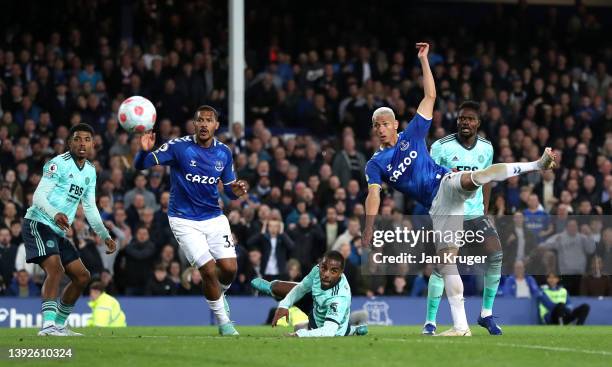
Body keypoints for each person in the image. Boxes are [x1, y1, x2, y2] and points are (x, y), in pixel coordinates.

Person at [363, 43, 556, 336]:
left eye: (385, 123)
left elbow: (430, 95)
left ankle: (536, 164)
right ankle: (461, 326)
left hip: (446, 184)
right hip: (438, 208)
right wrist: (369, 226)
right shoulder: (375, 164)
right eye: (376, 125)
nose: (380, 128)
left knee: (477, 176)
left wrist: (424, 60)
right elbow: (373, 194)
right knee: (446, 262)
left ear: (395, 124)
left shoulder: (413, 133)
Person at [134, 105, 247, 336]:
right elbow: (141, 165)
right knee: (207, 270)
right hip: (183, 220)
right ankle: (225, 323)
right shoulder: (179, 147)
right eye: (200, 120)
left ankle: (220, 292)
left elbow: (229, 190)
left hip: (214, 217)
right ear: (194, 125)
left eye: (209, 120)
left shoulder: (224, 152)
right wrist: (143, 151)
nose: (204, 124)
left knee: (229, 269)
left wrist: (238, 189)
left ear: (216, 125)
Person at [22, 123, 117, 336]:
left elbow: (90, 208)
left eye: (87, 139)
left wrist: (104, 235)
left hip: (57, 230)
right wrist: (55, 213)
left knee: (83, 276)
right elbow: (37, 197)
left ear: (93, 144)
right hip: (38, 223)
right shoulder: (57, 164)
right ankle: (47, 326)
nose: (82, 143)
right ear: (69, 142)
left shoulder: (91, 172)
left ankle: (60, 324)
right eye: (77, 139)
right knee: (55, 269)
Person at [427, 100, 503, 335]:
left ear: (478, 122)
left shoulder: (486, 148)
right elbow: (430, 181)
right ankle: (430, 321)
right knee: (443, 267)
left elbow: (487, 179)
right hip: (449, 213)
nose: (465, 123)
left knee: (496, 255)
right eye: (461, 119)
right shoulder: (441, 147)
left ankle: (486, 314)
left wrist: (484, 210)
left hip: (474, 214)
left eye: (469, 119)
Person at [251, 251, 368, 337]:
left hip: (324, 324)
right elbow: (301, 288)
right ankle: (271, 288)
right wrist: (283, 305)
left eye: (333, 271)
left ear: (341, 273)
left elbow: (328, 332)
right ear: (321, 265)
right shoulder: (317, 270)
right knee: (278, 287)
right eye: (324, 268)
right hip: (315, 304)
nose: (326, 274)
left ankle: (352, 330)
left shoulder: (340, 297)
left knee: (298, 327)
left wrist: (299, 334)